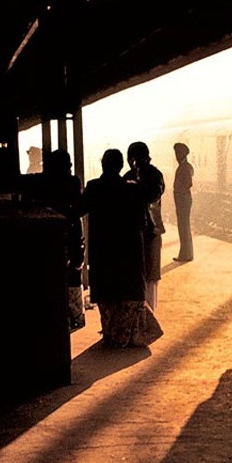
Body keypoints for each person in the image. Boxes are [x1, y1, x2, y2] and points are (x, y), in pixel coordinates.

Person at [82, 148, 163, 348]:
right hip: (128, 255)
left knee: (107, 299)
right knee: (127, 297)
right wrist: (141, 169)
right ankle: (124, 336)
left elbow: (77, 208)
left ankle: (110, 334)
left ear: (102, 164)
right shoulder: (133, 189)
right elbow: (151, 202)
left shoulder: (94, 188)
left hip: (102, 254)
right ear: (121, 165)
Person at [29, 148, 87, 331]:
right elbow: (77, 206)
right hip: (71, 233)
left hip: (49, 237)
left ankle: (56, 315)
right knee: (74, 276)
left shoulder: (42, 183)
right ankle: (75, 316)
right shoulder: (72, 182)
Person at [125, 141, 167, 310]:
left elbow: (152, 195)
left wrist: (136, 183)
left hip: (147, 231)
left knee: (146, 275)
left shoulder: (146, 175)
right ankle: (146, 315)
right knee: (148, 276)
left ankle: (144, 315)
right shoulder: (152, 175)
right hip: (148, 231)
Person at [171, 142, 195, 262]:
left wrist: (179, 192)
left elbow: (188, 183)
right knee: (183, 226)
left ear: (183, 154)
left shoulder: (186, 167)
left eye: (178, 153)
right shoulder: (183, 166)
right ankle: (185, 253)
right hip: (182, 198)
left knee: (184, 226)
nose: (176, 155)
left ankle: (186, 254)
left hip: (183, 199)